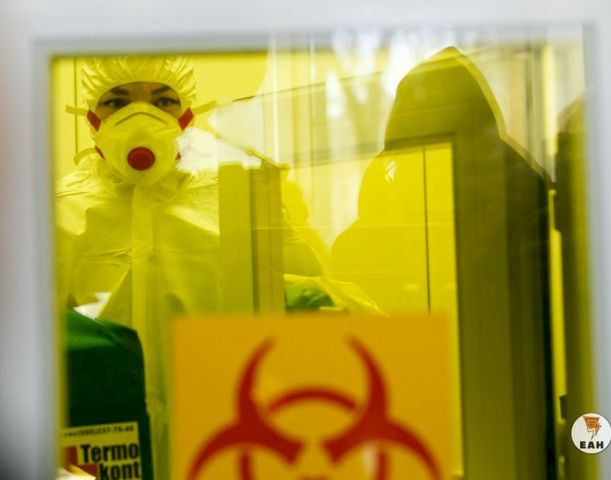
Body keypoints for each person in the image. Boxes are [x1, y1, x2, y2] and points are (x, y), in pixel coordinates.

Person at [56, 55, 382, 480]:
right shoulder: (60, 212)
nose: (141, 117)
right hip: (103, 442)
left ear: (187, 114)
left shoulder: (235, 196)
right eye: (117, 103)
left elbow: (315, 303)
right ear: (91, 118)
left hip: (223, 437)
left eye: (163, 101)